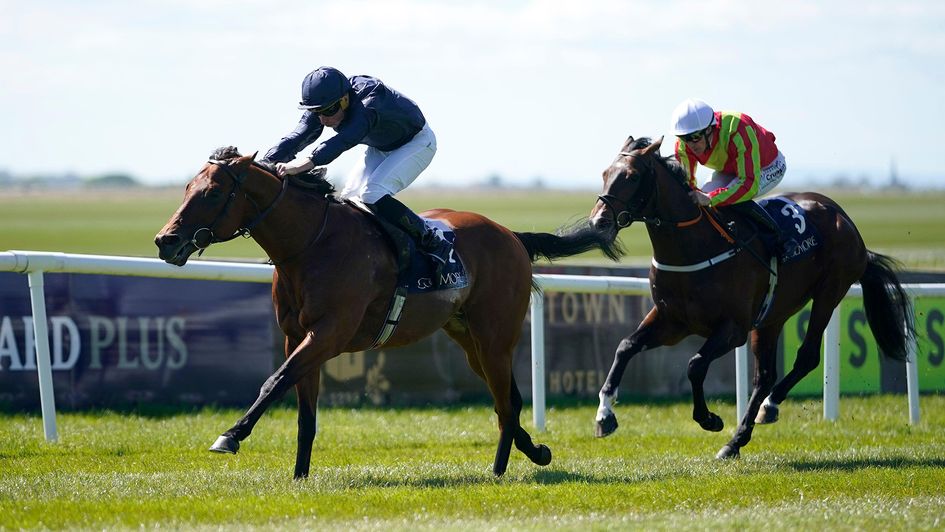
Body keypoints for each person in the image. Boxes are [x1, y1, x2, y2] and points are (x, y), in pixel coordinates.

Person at [264, 66, 453, 271]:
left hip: (416, 144)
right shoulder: (326, 103)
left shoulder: (370, 99)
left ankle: (432, 240)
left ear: (345, 99)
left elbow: (345, 139)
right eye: (316, 112)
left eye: (328, 111)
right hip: (380, 147)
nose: (323, 119)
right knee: (349, 199)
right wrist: (264, 163)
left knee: (372, 194)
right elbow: (297, 137)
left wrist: (307, 161)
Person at [671, 98, 786, 253]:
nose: (691, 144)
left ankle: (779, 238)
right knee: (703, 202)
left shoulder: (738, 128)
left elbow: (748, 185)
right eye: (685, 138)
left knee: (729, 200)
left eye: (695, 137)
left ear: (709, 130)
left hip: (768, 166)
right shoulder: (683, 146)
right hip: (730, 169)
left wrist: (711, 198)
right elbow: (689, 187)